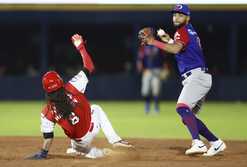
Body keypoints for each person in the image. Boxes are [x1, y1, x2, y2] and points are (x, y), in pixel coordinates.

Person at [27, 34, 132, 160]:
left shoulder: (47, 112)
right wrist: (81, 47)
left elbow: (48, 137)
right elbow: (89, 67)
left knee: (75, 144)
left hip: (79, 141)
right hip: (91, 126)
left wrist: (43, 153)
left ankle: (92, 152)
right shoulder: (72, 87)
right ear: (60, 81)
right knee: (96, 108)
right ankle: (115, 141)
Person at [139, 4, 226, 156]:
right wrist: (165, 38)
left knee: (181, 108)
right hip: (200, 77)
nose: (176, 17)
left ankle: (197, 143)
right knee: (188, 117)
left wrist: (153, 42)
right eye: (174, 14)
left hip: (196, 77)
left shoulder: (183, 31)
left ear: (188, 17)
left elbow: (175, 49)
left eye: (180, 14)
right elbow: (177, 47)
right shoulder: (189, 31)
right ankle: (216, 142)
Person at [137, 45, 168, 114]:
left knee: (156, 91)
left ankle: (156, 108)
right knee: (145, 91)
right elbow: (140, 59)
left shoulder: (158, 46)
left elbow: (164, 59)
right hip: (147, 71)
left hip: (157, 70)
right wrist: (140, 69)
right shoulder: (143, 47)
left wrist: (165, 69)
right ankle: (147, 106)